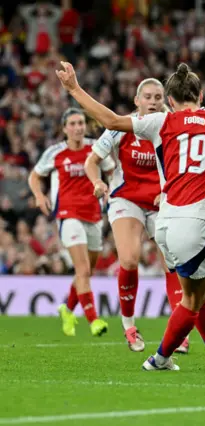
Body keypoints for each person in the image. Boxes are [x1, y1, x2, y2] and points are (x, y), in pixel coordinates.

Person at [57, 61, 205, 371]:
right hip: (194, 223)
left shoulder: (160, 124)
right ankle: (159, 359)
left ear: (169, 101)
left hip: (165, 220)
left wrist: (74, 88)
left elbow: (110, 120)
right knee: (193, 300)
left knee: (201, 292)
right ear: (202, 94)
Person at [84, 78, 188, 354]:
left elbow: (184, 165)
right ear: (137, 101)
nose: (153, 101)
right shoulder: (123, 126)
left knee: (172, 263)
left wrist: (168, 191)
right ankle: (129, 325)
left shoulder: (171, 124)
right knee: (129, 259)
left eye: (158, 97)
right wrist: (97, 183)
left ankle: (178, 330)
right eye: (148, 97)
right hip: (126, 197)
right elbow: (91, 161)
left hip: (161, 201)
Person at [28, 108, 114, 337]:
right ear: (64, 128)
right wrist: (39, 195)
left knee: (87, 272)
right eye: (72, 124)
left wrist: (109, 190)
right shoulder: (55, 152)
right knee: (83, 269)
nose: (77, 127)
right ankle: (94, 320)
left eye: (80, 123)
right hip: (68, 215)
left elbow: (112, 171)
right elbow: (35, 175)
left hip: (94, 215)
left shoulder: (95, 149)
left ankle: (67, 309)